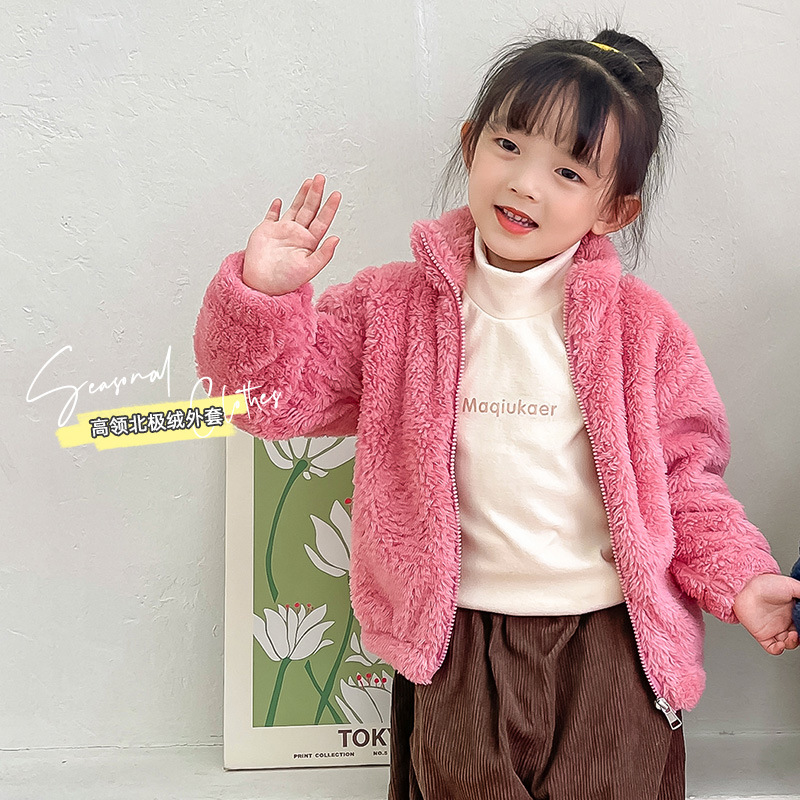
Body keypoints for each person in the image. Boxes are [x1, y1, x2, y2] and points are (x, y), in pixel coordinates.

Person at [193, 28, 800, 800]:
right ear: (470, 144)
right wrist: (263, 296)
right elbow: (267, 404)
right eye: (508, 145)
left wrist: (742, 580)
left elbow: (688, 484)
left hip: (611, 641)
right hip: (456, 641)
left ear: (614, 209)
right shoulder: (392, 308)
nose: (525, 184)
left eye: (568, 171)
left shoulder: (641, 330)